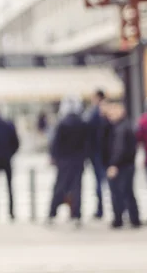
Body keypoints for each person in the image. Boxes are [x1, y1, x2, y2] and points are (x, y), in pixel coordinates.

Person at [48, 96, 88, 227]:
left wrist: (54, 157)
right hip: (77, 160)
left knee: (60, 187)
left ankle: (52, 213)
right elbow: (86, 144)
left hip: (64, 161)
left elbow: (55, 143)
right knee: (76, 188)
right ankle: (76, 214)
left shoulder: (62, 123)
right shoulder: (82, 123)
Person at [104, 100, 141, 229]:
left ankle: (121, 219)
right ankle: (133, 218)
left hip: (122, 165)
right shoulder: (121, 125)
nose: (111, 114)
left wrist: (114, 164)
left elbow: (119, 148)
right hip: (126, 164)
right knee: (127, 192)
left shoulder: (121, 127)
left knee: (121, 192)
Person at [0, 106, 20, 221]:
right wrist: (10, 153)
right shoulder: (8, 124)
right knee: (9, 187)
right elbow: (16, 143)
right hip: (6, 158)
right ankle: (11, 212)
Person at [84, 89, 107, 219]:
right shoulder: (104, 111)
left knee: (99, 181)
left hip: (97, 152)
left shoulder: (95, 112)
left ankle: (100, 209)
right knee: (105, 181)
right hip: (103, 151)